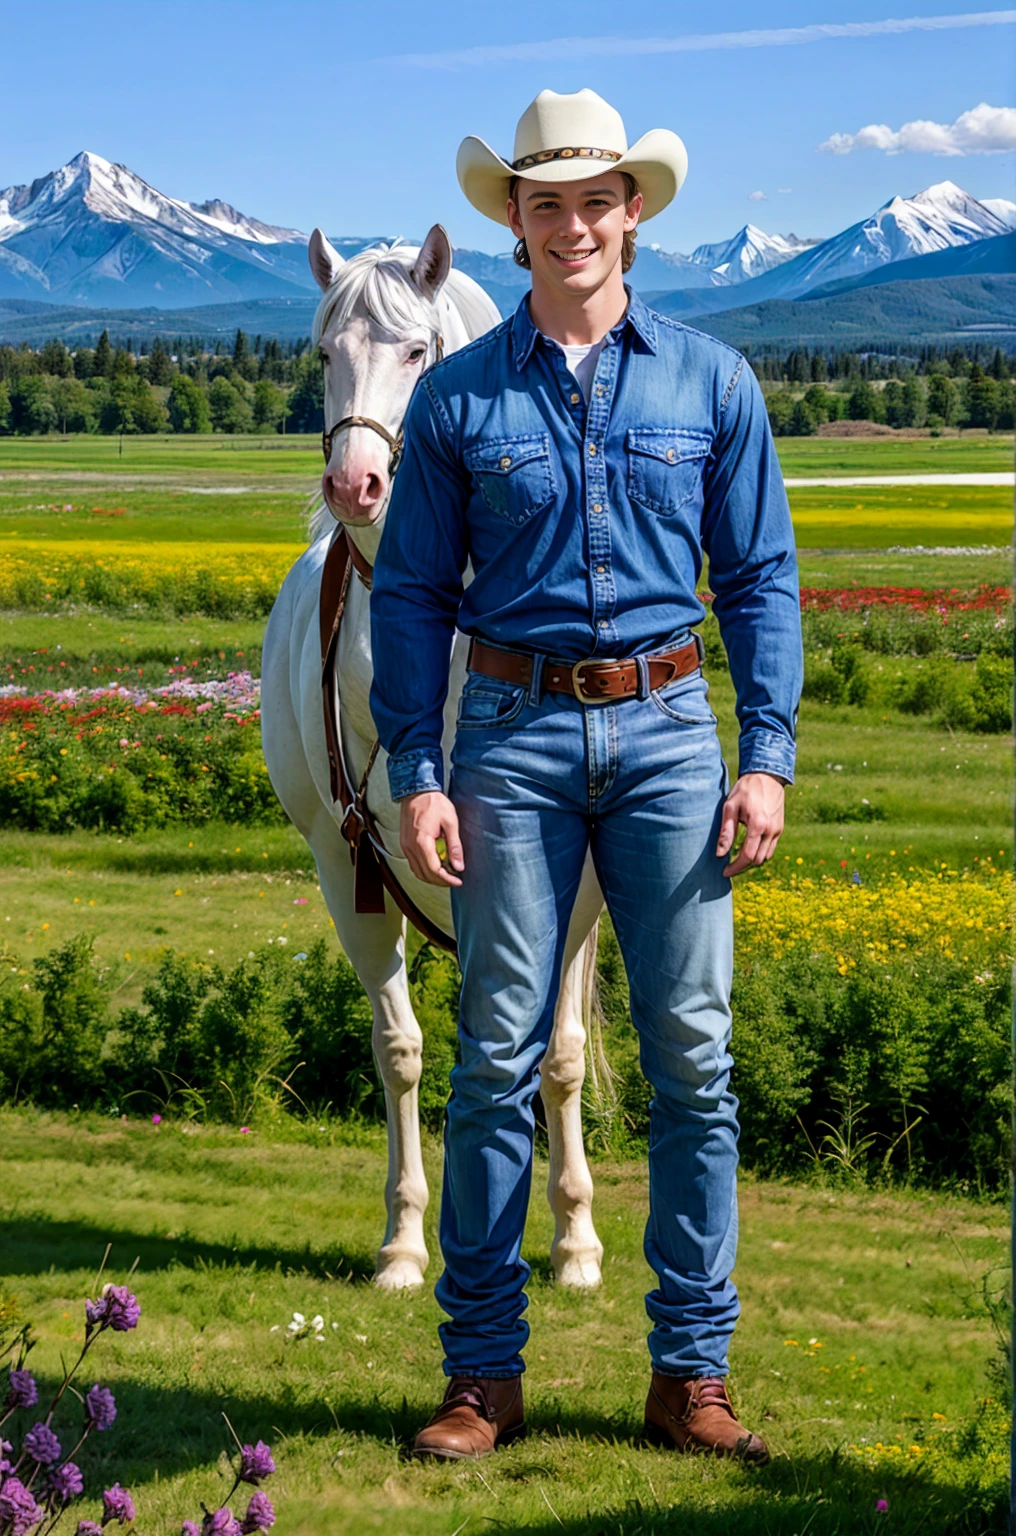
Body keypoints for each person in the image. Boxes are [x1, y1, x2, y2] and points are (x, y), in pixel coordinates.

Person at [369, 88, 803, 1463]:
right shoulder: (455, 395)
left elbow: (761, 580)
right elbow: (415, 599)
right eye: (545, 202)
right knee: (496, 1056)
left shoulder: (712, 383)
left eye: (596, 200)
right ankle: (481, 1378)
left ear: (634, 213)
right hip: (509, 738)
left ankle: (692, 1375)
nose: (574, 225)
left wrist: (768, 755)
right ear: (515, 221)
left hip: (674, 737)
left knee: (694, 1060)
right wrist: (418, 770)